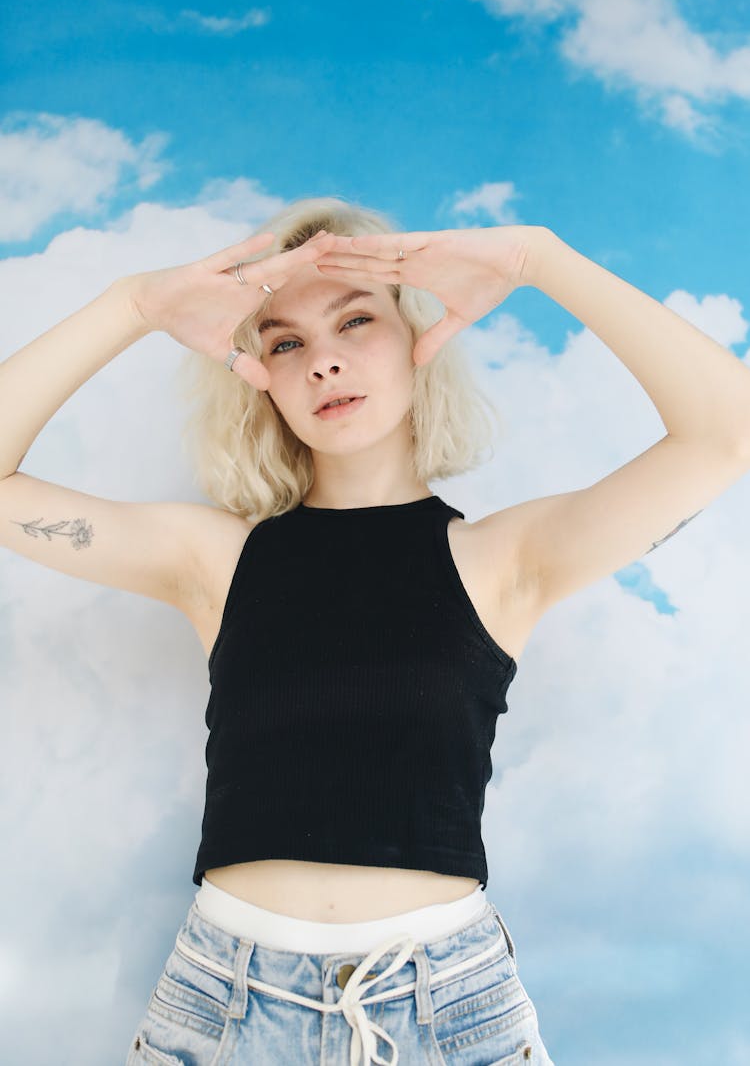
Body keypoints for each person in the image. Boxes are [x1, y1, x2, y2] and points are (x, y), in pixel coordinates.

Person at [2, 195, 749, 1065]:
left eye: (355, 320)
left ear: (419, 338)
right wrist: (133, 304)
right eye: (285, 341)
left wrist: (538, 259)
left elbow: (725, 434)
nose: (323, 362)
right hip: (223, 1009)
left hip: (447, 1010)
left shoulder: (502, 558)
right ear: (260, 374)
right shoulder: (212, 558)